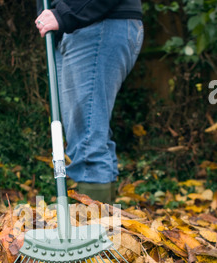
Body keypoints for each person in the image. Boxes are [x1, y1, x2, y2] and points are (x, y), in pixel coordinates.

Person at [35, 0, 144, 204]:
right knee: (87, 135)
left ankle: (94, 227)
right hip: (70, 30)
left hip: (97, 24)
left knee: (87, 140)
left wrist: (66, 14)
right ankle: (103, 222)